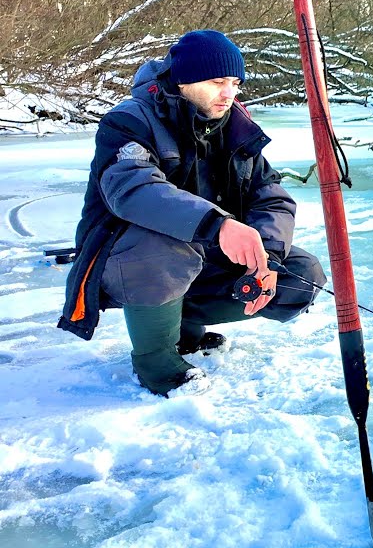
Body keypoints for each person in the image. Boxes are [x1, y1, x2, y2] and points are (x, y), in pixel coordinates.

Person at [59, 30, 328, 397]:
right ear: (184, 81)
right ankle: (156, 363)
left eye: (235, 83)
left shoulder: (235, 127)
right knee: (167, 244)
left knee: (300, 276)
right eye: (217, 82)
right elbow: (133, 190)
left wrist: (267, 254)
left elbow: (271, 197)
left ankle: (186, 325)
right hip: (126, 258)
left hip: (203, 255)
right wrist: (218, 225)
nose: (229, 93)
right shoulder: (130, 120)